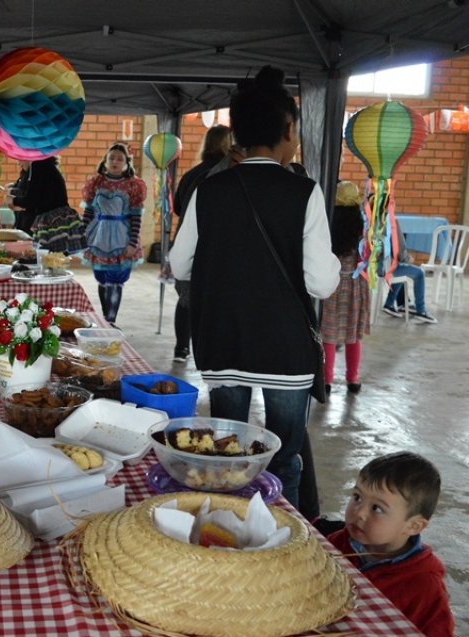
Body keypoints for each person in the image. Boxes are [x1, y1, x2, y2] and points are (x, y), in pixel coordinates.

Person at [169, 66, 340, 510]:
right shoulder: (304, 192)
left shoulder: (211, 190)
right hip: (285, 351)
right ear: (287, 130)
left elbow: (178, 262)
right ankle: (287, 544)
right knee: (285, 459)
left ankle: (227, 525)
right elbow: (321, 282)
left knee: (228, 455)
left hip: (224, 342)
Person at [327, 452, 454, 637]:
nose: (359, 512)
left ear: (413, 526)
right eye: (357, 497)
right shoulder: (339, 541)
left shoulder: (425, 587)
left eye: (377, 508)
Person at [171, 125, 231, 361]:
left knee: (186, 299)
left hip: (186, 240)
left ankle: (181, 348)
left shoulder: (192, 173)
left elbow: (176, 207)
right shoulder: (227, 176)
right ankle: (209, 351)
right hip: (215, 245)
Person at [81, 143, 147, 325]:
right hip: (98, 237)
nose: (115, 162)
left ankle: (111, 320)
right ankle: (105, 319)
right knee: (102, 279)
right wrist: (80, 236)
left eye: (120, 159)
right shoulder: (95, 183)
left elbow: (136, 218)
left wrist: (133, 243)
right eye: (111, 158)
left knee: (116, 280)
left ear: (127, 163)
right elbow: (88, 213)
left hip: (122, 237)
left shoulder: (134, 186)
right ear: (105, 161)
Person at [320, 182, 370, 395]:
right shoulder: (363, 225)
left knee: (328, 335)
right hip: (355, 285)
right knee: (353, 335)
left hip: (332, 283)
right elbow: (368, 255)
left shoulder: (328, 223)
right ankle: (353, 379)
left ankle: (326, 381)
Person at [381, 231, 437, 324]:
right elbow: (399, 249)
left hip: (376, 267)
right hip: (389, 268)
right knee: (419, 273)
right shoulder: (392, 223)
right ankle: (421, 310)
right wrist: (407, 258)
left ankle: (390, 303)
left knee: (401, 269)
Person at [6, 157, 68, 234]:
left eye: (21, 158)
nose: (19, 163)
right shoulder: (47, 165)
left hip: (51, 222)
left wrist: (13, 200)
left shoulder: (38, 166)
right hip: (57, 220)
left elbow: (31, 200)